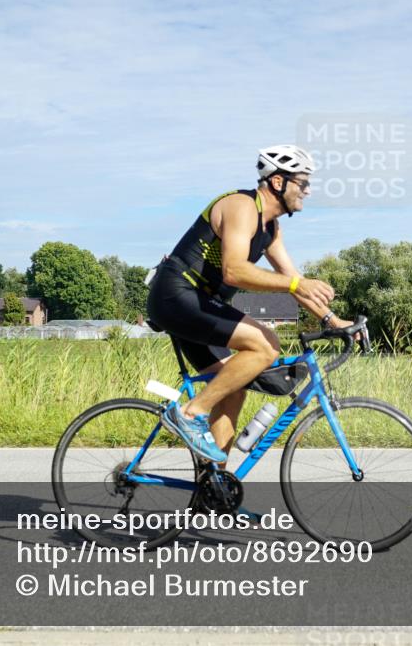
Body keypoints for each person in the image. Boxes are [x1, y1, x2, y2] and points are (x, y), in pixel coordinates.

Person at [147, 145, 355, 464]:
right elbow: (234, 270)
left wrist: (333, 320)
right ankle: (188, 413)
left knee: (233, 386)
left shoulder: (271, 229)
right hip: (177, 294)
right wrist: (296, 284)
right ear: (277, 182)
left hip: (200, 304)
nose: (308, 190)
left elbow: (292, 280)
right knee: (266, 345)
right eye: (302, 182)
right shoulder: (242, 207)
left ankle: (214, 481)